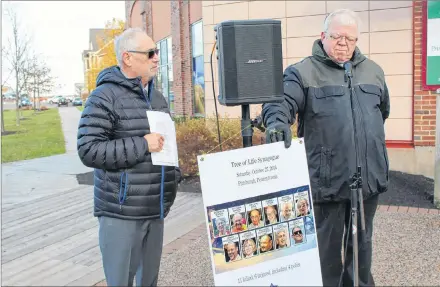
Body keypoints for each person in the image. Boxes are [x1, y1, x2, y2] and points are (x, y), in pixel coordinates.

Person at [262, 8, 390, 287]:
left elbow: (383, 110)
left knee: (362, 249)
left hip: (367, 180)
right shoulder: (302, 72)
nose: (344, 43)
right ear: (323, 36)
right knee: (326, 253)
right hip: (326, 181)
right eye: (337, 36)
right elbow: (279, 101)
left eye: (351, 39)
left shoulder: (374, 71)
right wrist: (276, 122)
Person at [77, 27, 181, 287]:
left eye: (156, 52)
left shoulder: (157, 98)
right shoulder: (104, 97)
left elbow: (166, 146)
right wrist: (142, 145)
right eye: (150, 53)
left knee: (149, 282)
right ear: (127, 58)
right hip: (121, 213)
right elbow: (88, 149)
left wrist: (173, 178)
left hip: (155, 209)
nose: (157, 57)